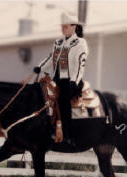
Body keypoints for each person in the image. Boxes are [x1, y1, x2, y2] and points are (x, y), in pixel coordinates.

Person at [33, 12, 88, 144]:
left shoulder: (80, 43)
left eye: (66, 26)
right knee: (39, 94)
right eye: (62, 26)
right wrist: (40, 67)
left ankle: (68, 134)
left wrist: (74, 81)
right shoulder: (58, 42)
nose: (63, 29)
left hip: (71, 81)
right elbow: (50, 58)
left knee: (63, 100)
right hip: (56, 79)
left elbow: (81, 64)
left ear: (74, 27)